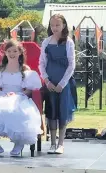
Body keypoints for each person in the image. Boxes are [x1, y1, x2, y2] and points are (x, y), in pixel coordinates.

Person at [39, 14, 76, 154]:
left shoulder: (68, 42)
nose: (54, 28)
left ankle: (61, 143)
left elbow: (71, 65)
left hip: (63, 84)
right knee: (51, 111)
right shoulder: (46, 42)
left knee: (62, 112)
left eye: (57, 25)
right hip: (50, 83)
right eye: (52, 25)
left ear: (64, 26)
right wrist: (47, 80)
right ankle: (52, 143)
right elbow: (42, 63)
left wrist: (62, 83)